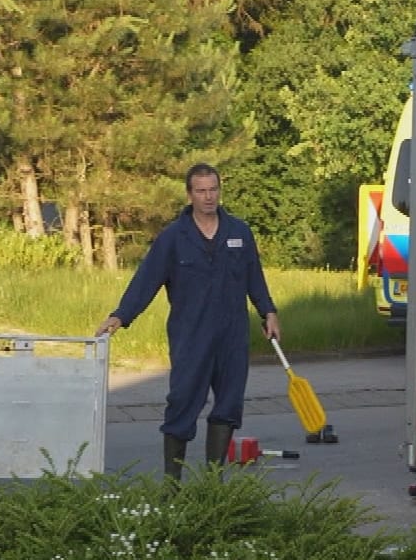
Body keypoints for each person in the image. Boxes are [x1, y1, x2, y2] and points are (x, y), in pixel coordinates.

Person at [98, 164, 280, 479]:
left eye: (213, 190)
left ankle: (213, 484)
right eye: (201, 191)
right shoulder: (173, 238)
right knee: (182, 403)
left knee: (228, 406)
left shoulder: (238, 232)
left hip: (232, 336)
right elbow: (146, 281)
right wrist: (121, 315)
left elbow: (255, 278)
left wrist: (269, 312)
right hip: (190, 336)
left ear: (219, 191)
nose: (209, 197)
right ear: (190, 195)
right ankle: (172, 487)